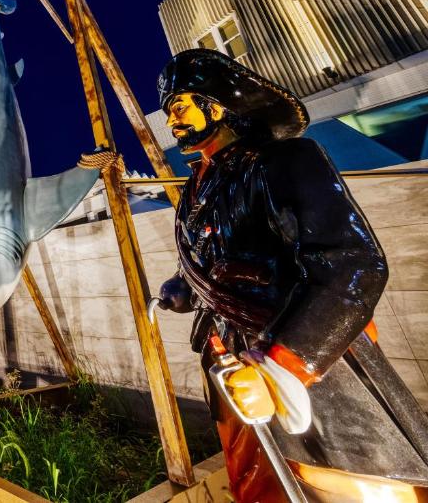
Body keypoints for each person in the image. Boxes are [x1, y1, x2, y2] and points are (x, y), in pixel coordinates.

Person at [155, 49, 428, 502]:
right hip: (226, 356)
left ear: (216, 104)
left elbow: (351, 262)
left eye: (180, 106)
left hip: (297, 352)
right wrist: (184, 286)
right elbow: (217, 258)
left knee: (341, 480)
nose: (172, 122)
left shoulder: (285, 160)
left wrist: (279, 368)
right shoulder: (195, 191)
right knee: (260, 478)